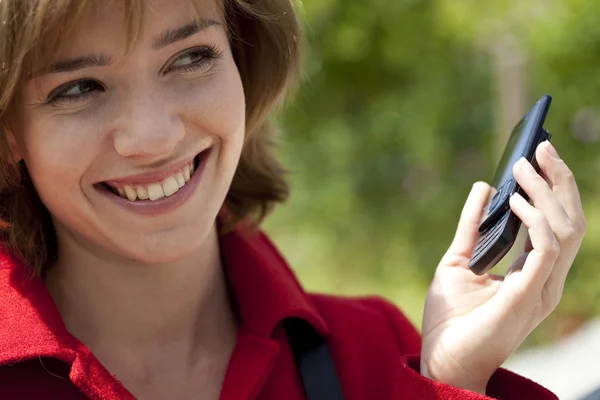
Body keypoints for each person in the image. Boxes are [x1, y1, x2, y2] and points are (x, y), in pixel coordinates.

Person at [0, 0, 585, 399]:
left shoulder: (378, 355)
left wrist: (455, 379)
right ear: (9, 129)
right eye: (78, 88)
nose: (154, 136)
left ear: (243, 62)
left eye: (189, 57)